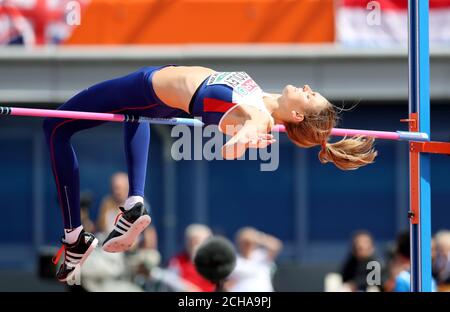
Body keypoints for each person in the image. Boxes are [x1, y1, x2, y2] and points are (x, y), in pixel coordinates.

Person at [43, 65, 377, 282]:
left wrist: (243, 140)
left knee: (55, 127)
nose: (306, 86)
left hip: (148, 87)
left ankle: (74, 237)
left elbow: (231, 147)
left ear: (296, 114)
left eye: (309, 95)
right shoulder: (261, 100)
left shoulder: (259, 115)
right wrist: (245, 135)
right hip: (160, 100)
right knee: (135, 117)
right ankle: (134, 202)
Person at [225, 227, 282, 292]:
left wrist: (258, 237)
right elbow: (227, 282)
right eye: (244, 242)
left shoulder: (262, 256)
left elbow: (276, 246)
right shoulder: (234, 260)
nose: (247, 245)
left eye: (249, 243)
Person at [168, 224, 215, 292]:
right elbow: (170, 281)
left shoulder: (216, 262)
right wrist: (186, 287)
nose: (193, 245)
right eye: (190, 241)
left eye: (196, 241)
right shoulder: (176, 261)